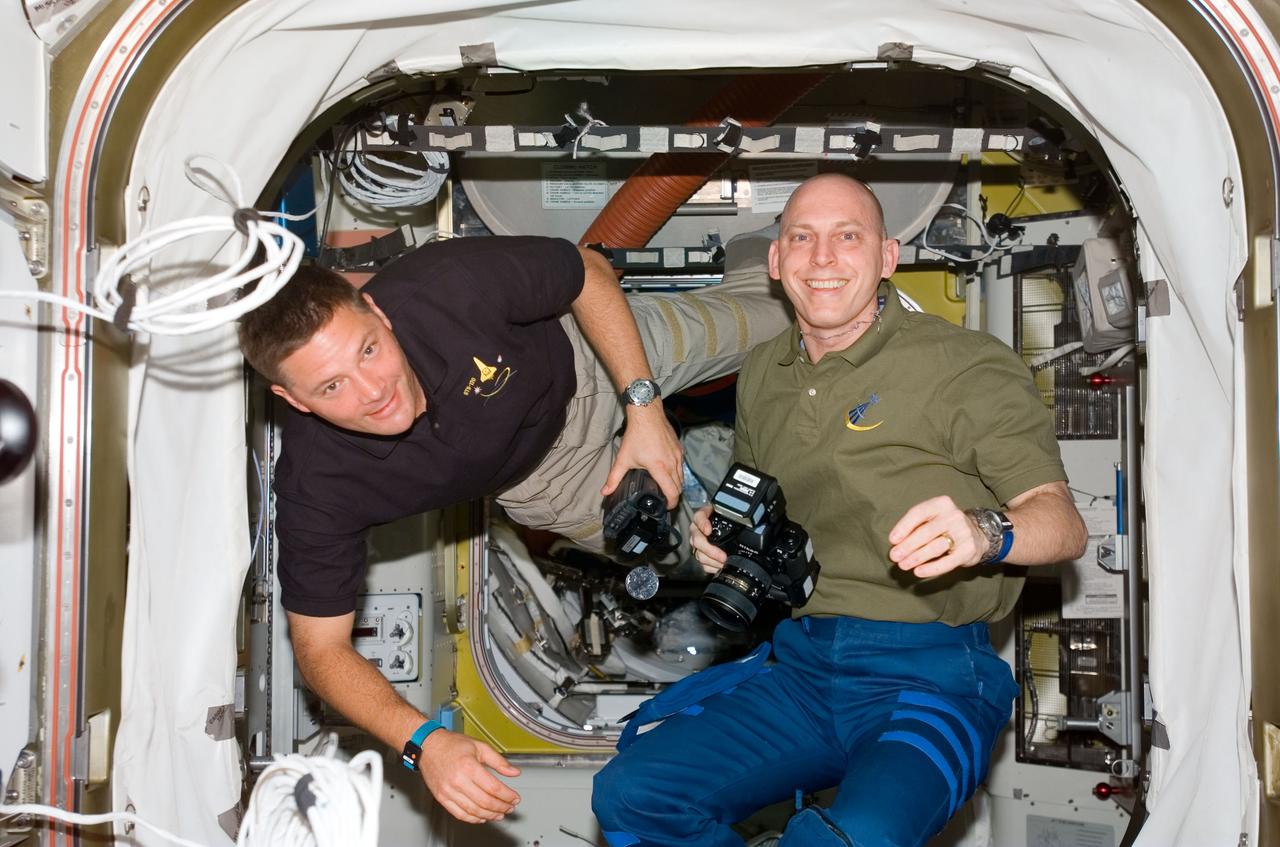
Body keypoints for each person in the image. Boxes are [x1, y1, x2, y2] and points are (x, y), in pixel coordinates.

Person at [590, 173, 1089, 847]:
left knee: (852, 837)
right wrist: (731, 542)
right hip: (799, 670)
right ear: (775, 261)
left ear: (887, 257)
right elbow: (775, 513)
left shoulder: (963, 364)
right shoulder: (765, 372)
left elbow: (1062, 522)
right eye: (802, 237)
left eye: (847, 236)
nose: (822, 259)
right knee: (632, 793)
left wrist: (984, 532)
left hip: (928, 677)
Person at [237, 234, 790, 824]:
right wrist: (422, 741)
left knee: (783, 322)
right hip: (547, 479)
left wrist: (645, 410)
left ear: (376, 311)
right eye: (330, 386)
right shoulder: (319, 485)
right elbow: (320, 650)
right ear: (290, 399)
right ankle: (715, 468)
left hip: (593, 360)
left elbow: (587, 271)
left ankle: (755, 257)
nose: (373, 391)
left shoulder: (447, 284)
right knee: (679, 553)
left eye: (368, 351)